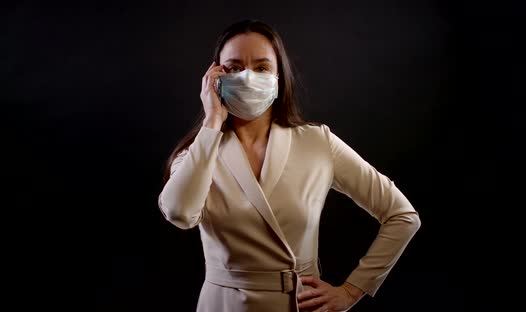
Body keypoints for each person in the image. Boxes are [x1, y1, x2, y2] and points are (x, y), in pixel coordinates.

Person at [157, 19, 421, 312]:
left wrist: (351, 290)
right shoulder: (199, 153)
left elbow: (402, 215)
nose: (246, 77)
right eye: (233, 68)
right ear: (214, 78)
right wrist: (211, 123)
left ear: (278, 76)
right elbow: (179, 213)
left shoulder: (317, 142)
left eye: (261, 67)